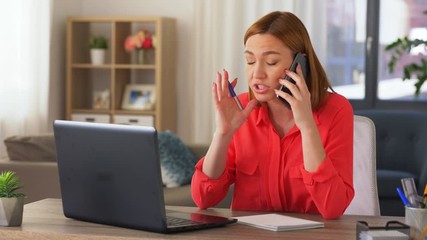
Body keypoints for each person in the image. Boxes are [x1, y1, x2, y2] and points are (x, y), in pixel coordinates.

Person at [191, 11, 354, 220]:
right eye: (250, 61)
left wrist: (307, 126)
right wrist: (223, 133)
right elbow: (203, 198)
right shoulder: (241, 108)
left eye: (271, 62)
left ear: (299, 63)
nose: (257, 74)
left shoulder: (336, 110)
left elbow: (333, 208)